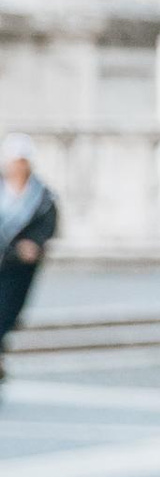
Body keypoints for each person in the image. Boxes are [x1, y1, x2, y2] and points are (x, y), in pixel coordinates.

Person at [0, 138, 59, 377]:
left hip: (19, 267)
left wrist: (35, 244)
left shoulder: (42, 196)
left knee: (8, 311)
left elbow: (48, 224)